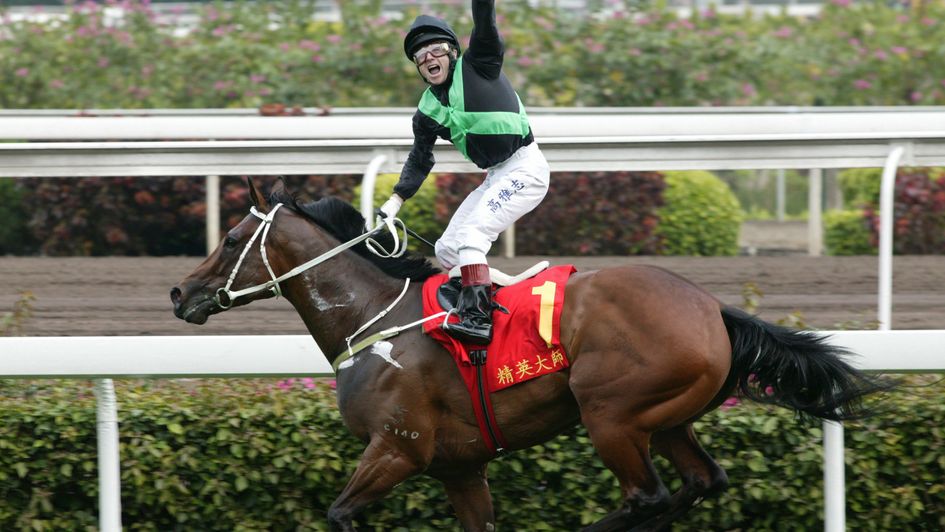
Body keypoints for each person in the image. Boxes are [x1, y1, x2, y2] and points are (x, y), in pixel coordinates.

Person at [378, 1, 550, 346]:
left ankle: (477, 318)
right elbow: (420, 159)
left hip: (526, 168)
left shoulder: (480, 63)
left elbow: (485, 20)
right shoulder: (426, 111)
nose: (428, 58)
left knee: (472, 238)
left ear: (452, 52)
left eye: (436, 50)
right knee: (447, 249)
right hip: (497, 175)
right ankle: (490, 292)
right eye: (420, 56)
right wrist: (395, 200)